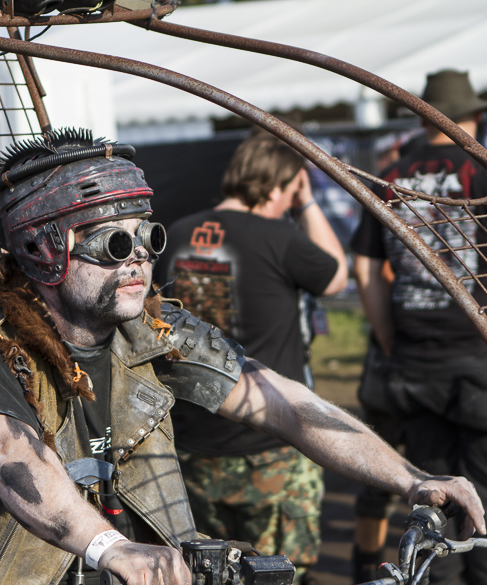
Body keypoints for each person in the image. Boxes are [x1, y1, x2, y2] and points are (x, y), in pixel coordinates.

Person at [0, 128, 486, 585]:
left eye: (146, 237)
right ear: (42, 249)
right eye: (113, 242)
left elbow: (280, 401)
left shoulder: (152, 329)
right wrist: (115, 548)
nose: (137, 258)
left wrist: (410, 479)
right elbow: (14, 459)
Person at [351, 70, 487, 585]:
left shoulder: (391, 176)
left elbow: (367, 270)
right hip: (486, 362)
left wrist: (393, 339)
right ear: (471, 117)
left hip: (415, 363)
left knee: (436, 509)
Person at [155, 133, 348, 584]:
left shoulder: (180, 230)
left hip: (196, 438)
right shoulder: (281, 236)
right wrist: (307, 204)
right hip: (270, 444)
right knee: (278, 573)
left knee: (214, 572)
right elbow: (337, 277)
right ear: (283, 185)